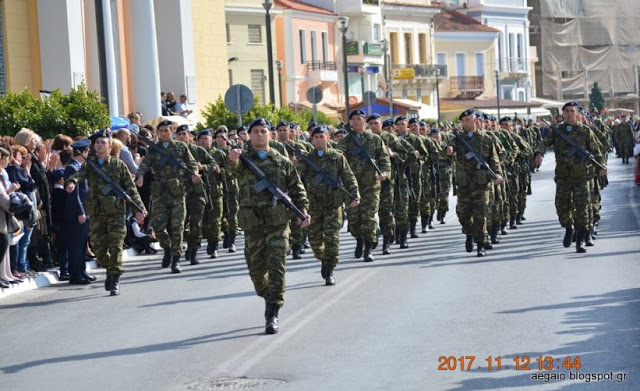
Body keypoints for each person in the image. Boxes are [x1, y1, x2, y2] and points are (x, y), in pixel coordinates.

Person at [227, 118, 310, 334]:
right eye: (255, 131)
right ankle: (268, 295)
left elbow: (297, 188)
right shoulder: (243, 160)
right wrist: (232, 158)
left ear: (270, 135)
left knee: (277, 268)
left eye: (263, 131)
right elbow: (231, 170)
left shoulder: (282, 161)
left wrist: (303, 212)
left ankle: (273, 310)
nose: (260, 135)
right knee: (256, 273)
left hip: (277, 224)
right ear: (249, 135)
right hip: (252, 224)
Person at [66, 132, 146, 295]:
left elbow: (131, 189)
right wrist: (72, 182)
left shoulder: (118, 165)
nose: (100, 145)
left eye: (103, 142)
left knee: (116, 246)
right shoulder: (90, 164)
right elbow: (78, 175)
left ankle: (114, 278)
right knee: (99, 248)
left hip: (115, 212)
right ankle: (109, 268)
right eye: (97, 143)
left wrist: (139, 208)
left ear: (110, 147)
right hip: (96, 213)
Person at [534, 101, 607, 253]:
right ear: (563, 114)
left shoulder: (585, 131)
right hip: (563, 177)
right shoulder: (557, 130)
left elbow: (597, 150)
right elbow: (544, 142)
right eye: (566, 111)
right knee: (561, 207)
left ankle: (580, 240)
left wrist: (601, 166)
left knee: (582, 210)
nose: (569, 113)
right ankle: (568, 228)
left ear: (577, 114)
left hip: (582, 177)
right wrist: (539, 153)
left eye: (572, 111)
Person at [295, 125, 359, 285]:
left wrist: (354, 194)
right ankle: (324, 259)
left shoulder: (337, 157)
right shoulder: (307, 159)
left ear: (328, 138)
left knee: (332, 239)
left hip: (333, 204)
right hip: (314, 205)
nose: (319, 140)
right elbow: (295, 176)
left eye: (321, 136)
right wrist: (293, 164)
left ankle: (330, 268)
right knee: (315, 242)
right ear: (312, 139)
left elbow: (349, 177)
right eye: (316, 137)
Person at [135, 120, 200, 273]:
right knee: (158, 227)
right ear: (158, 133)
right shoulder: (154, 149)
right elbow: (145, 164)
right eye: (161, 130)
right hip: (159, 193)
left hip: (177, 193)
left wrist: (195, 174)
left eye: (167, 130)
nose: (164, 133)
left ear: (172, 131)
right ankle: (167, 248)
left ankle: (176, 259)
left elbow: (191, 163)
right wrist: (140, 175)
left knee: (177, 227)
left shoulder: (180, 146)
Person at [445, 109, 504, 257]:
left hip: (481, 183)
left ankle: (480, 244)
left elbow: (494, 159)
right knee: (462, 214)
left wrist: (498, 175)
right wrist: (448, 149)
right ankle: (469, 233)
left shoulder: (487, 139)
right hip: (464, 183)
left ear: (475, 120)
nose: (465, 123)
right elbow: (446, 149)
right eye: (463, 121)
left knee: (480, 215)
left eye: (468, 120)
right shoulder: (457, 138)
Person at [337, 110, 391, 262]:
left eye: (359, 119)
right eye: (353, 119)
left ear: (364, 121)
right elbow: (337, 154)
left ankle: (368, 248)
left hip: (371, 185)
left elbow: (384, 159)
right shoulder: (346, 140)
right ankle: (359, 239)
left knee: (368, 217)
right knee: (354, 220)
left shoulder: (375, 139)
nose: (356, 122)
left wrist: (385, 173)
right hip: (351, 187)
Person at [175, 125, 217, 264]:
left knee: (196, 224)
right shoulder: (171, 151)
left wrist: (202, 167)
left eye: (184, 134)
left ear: (190, 136)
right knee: (179, 225)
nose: (182, 136)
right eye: (179, 134)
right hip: (177, 193)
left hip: (196, 193)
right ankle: (177, 251)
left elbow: (212, 164)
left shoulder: (197, 151)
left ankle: (193, 251)